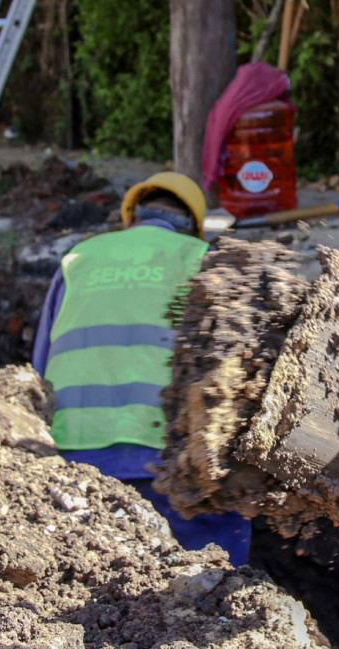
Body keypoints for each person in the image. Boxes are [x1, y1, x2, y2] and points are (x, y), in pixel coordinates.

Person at [32, 172, 252, 565]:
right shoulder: (204, 259)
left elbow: (35, 373)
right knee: (214, 581)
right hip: (177, 463)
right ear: (194, 227)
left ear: (130, 219)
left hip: (76, 456)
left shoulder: (79, 260)